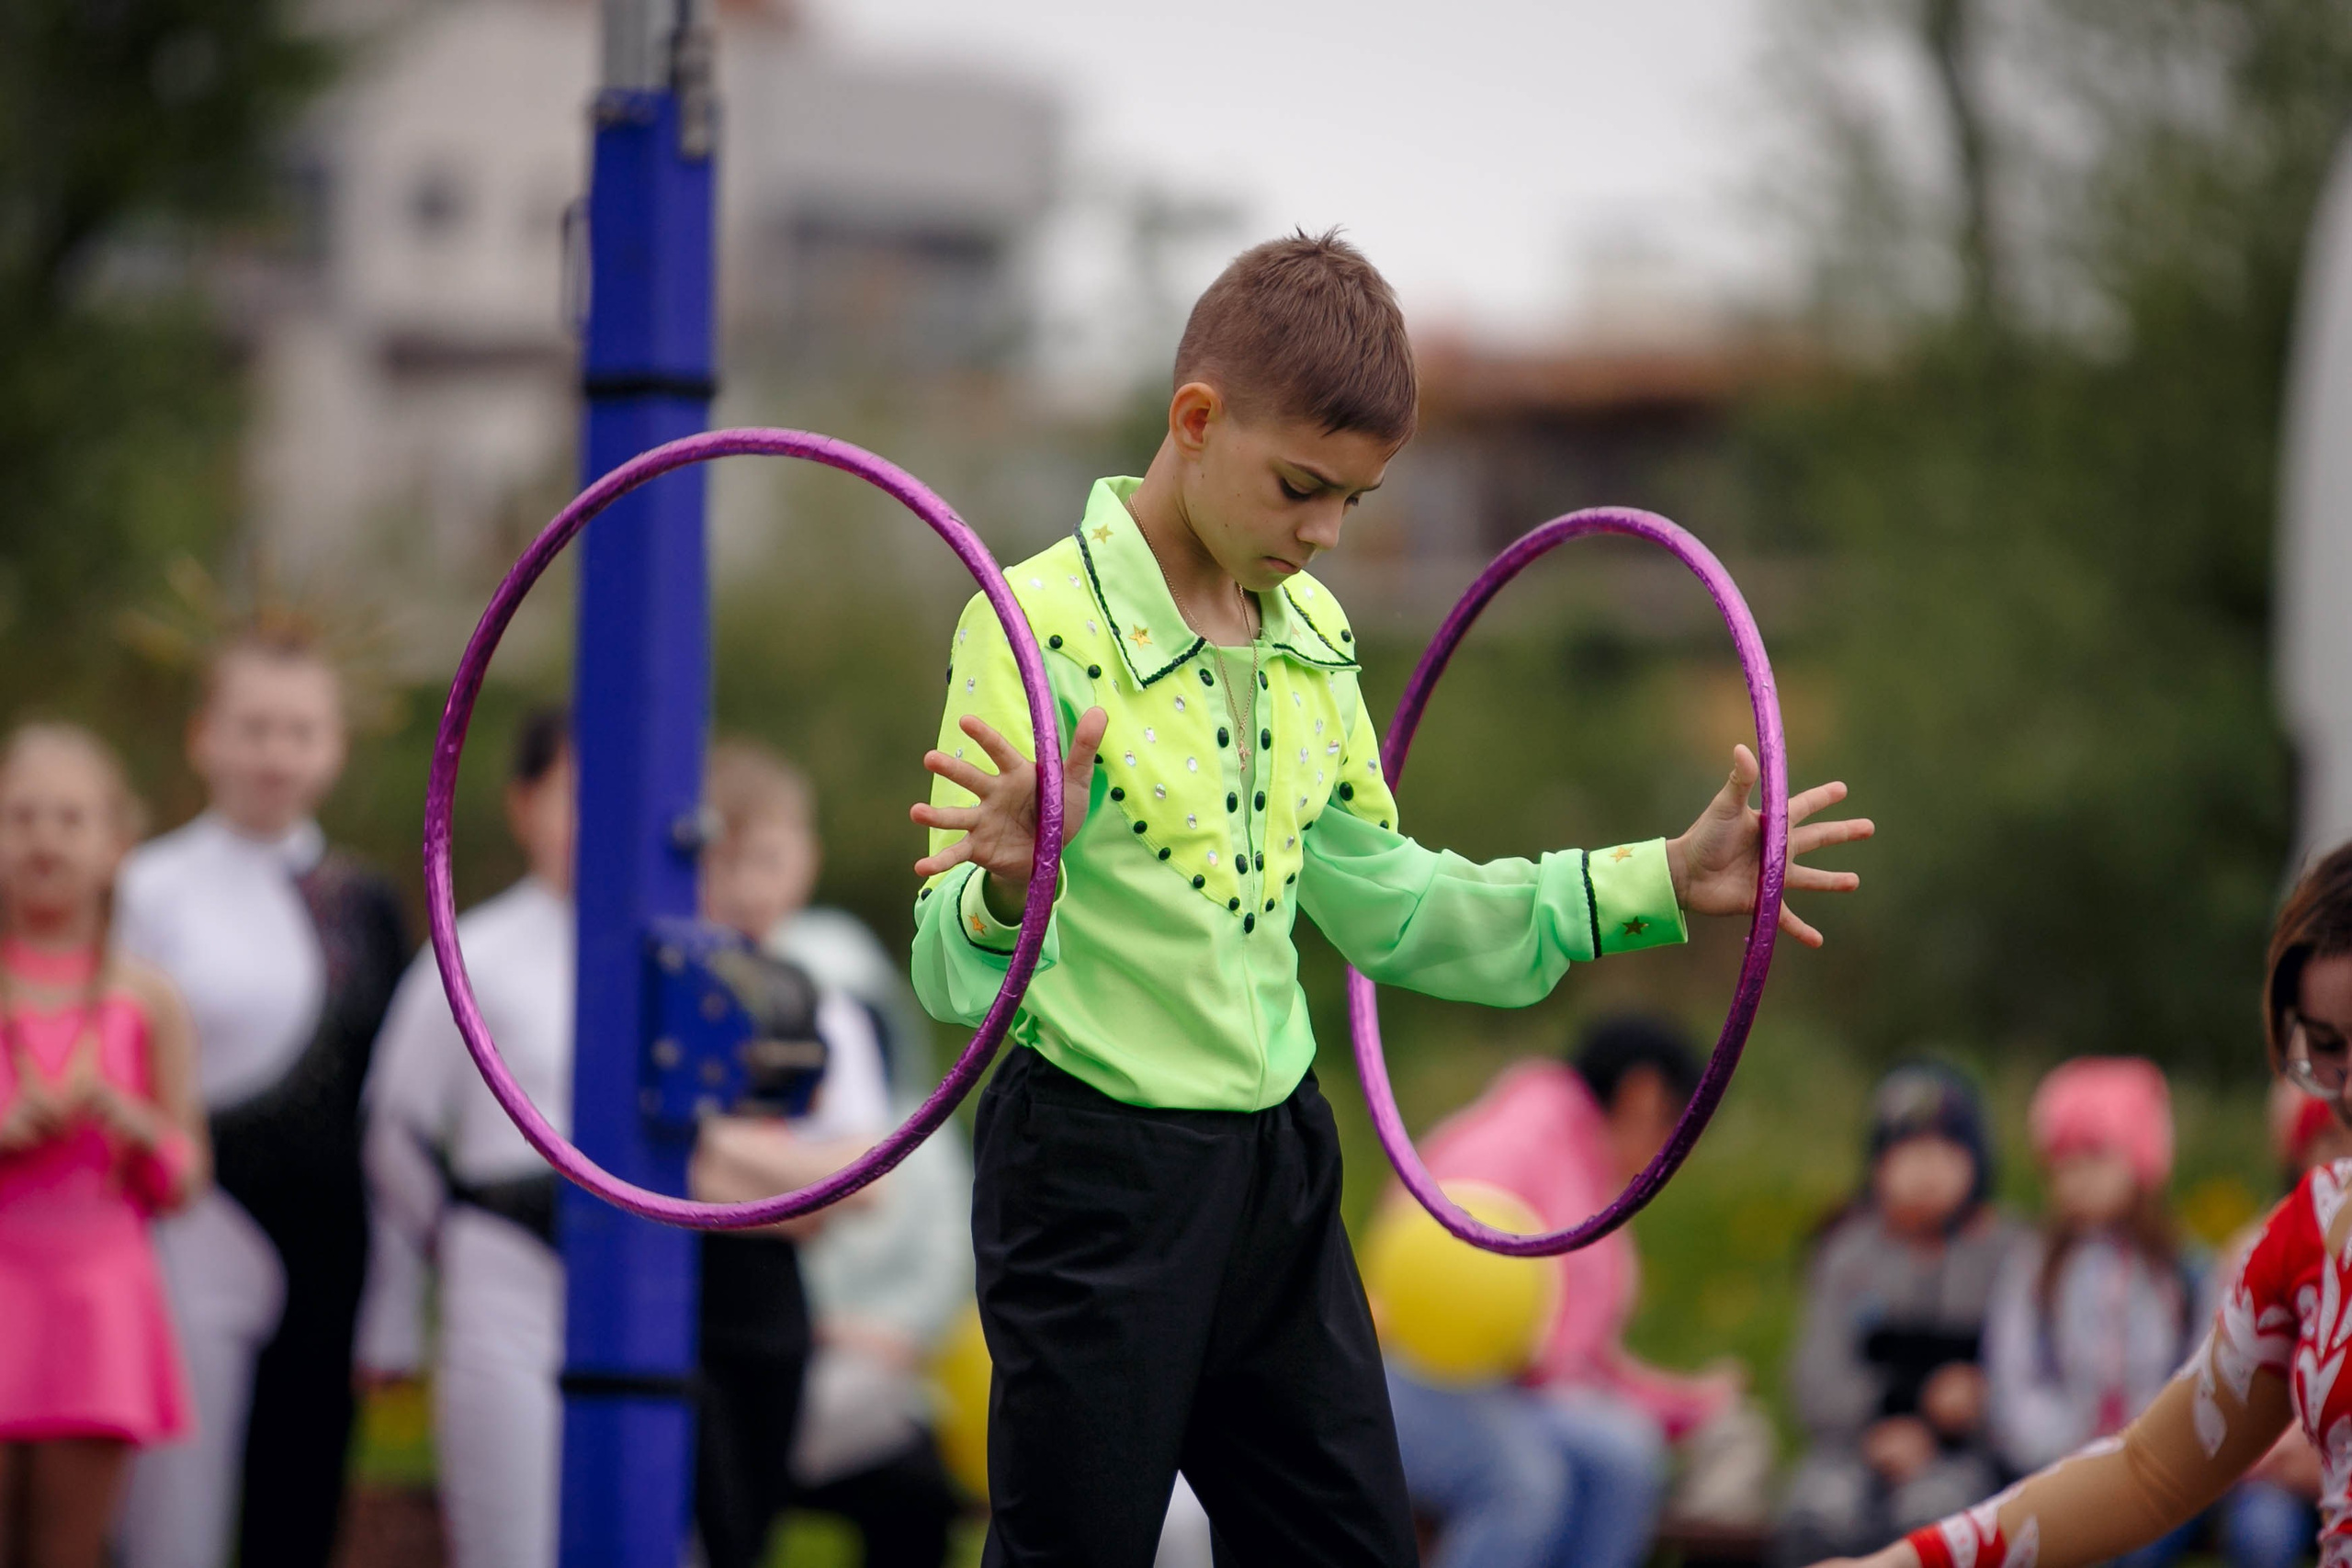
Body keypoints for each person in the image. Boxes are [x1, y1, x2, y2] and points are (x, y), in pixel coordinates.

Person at [907, 228, 1875, 1567]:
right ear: (1196, 419)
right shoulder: (1030, 625)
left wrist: (1655, 875)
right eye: (1302, 485)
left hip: (1278, 1166)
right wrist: (1008, 891)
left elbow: (1399, 907)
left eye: (1353, 501)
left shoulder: (1310, 638)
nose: (1323, 532)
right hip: (1096, 1172)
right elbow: (946, 974)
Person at [1805, 840, 2352, 1568]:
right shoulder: (2311, 1231)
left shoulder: (2176, 1262)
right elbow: (2146, 1470)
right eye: (2328, 1050)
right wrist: (1897, 1565)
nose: (2347, 1087)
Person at [115, 623, 409, 1568]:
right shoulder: (146, 888)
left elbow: (388, 1110)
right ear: (205, 736)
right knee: (172, 1514)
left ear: (334, 746)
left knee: (300, 1502)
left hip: (329, 1242)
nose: (274, 754)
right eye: (253, 727)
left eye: (298, 730)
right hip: (182, 1225)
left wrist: (398, 1302)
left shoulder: (365, 901)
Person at [1384, 1014, 1752, 1568]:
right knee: (1523, 1484)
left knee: (1624, 1459)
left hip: (1504, 1387)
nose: (1681, 1155)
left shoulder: (1583, 1162)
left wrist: (1682, 1406)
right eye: (1682, 1127)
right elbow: (1446, 1289)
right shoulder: (1512, 1145)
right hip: (1421, 1372)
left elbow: (1576, 1355)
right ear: (1643, 1096)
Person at [354, 706, 575, 1568]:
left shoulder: (676, 950)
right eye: (573, 795)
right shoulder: (471, 949)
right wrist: (401, 1304)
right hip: (502, 1279)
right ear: (524, 805)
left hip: (647, 1282)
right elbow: (395, 1129)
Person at [0, 726, 206, 1568]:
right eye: (22, 816)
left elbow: (188, 1175)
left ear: (119, 843)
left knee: (68, 1549)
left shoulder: (146, 998)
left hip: (97, 1305)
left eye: (71, 818)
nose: (46, 838)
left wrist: (137, 1125)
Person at [691, 739, 891, 1568]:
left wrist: (716, 1145)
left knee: (753, 1531)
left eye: (768, 860)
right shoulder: (667, 989)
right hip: (679, 1301)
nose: (748, 887)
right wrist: (793, 1198)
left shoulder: (826, 1006)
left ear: (804, 863)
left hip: (776, 1310)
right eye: (726, 861)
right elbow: (648, 1172)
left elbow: (868, 1178)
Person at [1775, 1064, 2022, 1568]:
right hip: (1854, 1447)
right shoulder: (1847, 1254)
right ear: (1878, 1164)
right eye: (1908, 1149)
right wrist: (1880, 1422)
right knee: (1817, 1513)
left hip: (1966, 1457)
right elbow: (1814, 1380)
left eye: (1947, 1149)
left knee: (1940, 1520)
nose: (1927, 1168)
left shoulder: (2011, 1254)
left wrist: (1976, 1403)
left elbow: (2031, 1375)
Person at [1984, 1056, 2195, 1568]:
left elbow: (2201, 1368)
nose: (2074, 1179)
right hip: (2059, 1466)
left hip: (2164, 1473)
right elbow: (2011, 1374)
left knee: (2139, 1547)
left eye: (2094, 1159)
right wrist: (2059, 1445)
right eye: (2062, 1163)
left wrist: (2160, 1449)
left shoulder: (2181, 1270)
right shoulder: (2035, 1268)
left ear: (2141, 1161)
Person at [2208, 1079, 2352, 1568]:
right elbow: (2224, 1380)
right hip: (2268, 1469)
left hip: (2331, 1470)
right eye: (2330, 1136)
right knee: (2262, 1533)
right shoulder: (2262, 1247)